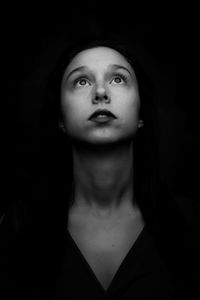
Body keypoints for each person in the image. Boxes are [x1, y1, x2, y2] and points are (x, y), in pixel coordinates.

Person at [1, 33, 196, 299]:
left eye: (118, 79)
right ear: (60, 117)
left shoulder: (192, 224)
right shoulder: (17, 227)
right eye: (81, 81)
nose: (101, 92)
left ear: (140, 114)